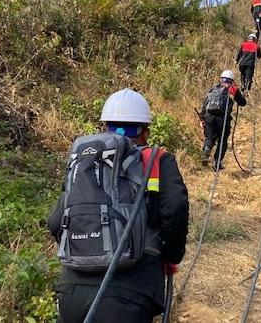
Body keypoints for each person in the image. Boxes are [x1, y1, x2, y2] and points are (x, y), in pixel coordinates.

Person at [48, 89, 189, 323]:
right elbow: (175, 209)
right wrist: (171, 255)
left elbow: (55, 222)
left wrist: (86, 248)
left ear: (104, 127)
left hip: (72, 290)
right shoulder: (157, 160)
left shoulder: (85, 161)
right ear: (145, 131)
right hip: (131, 292)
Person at [200, 70, 247, 170]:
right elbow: (243, 103)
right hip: (223, 119)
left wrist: (202, 118)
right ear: (232, 80)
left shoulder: (214, 88)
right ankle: (217, 163)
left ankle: (207, 149)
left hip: (209, 116)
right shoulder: (233, 89)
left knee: (209, 137)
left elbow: (205, 104)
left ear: (221, 79)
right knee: (222, 140)